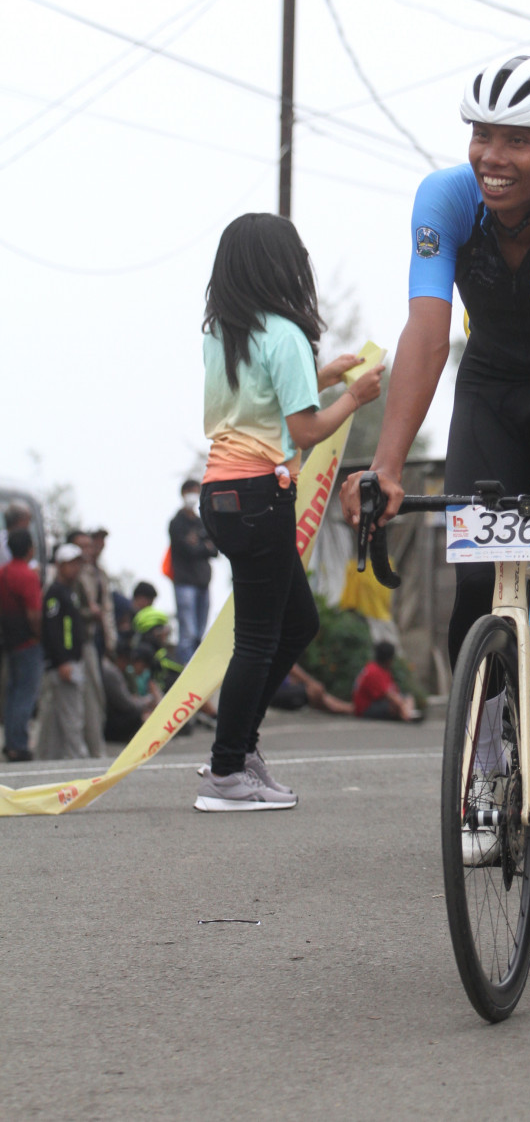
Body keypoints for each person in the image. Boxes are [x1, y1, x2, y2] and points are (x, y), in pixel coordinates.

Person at [341, 53, 530, 859]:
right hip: (492, 387)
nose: (491, 156)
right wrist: (387, 466)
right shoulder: (444, 200)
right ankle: (486, 767)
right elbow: (427, 334)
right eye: (481, 135)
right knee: (474, 582)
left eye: (516, 140)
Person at [195, 212, 384, 812]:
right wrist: (353, 396)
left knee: (297, 623)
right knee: (258, 639)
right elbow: (304, 431)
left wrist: (320, 378)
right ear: (282, 268)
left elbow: (261, 407)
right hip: (258, 496)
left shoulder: (223, 333)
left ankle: (239, 747)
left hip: (221, 496)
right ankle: (227, 770)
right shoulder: (284, 334)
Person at [35, 543, 89, 761]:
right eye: (70, 564)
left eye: (77, 564)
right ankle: (78, 758)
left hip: (69, 661)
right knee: (72, 715)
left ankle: (49, 760)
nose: (75, 568)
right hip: (64, 664)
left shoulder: (69, 592)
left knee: (56, 717)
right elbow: (54, 630)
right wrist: (63, 660)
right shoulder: (55, 593)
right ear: (59, 565)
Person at [0, 529, 44, 761]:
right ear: (30, 549)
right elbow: (34, 613)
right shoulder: (28, 575)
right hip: (28, 641)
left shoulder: (3, 572)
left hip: (9, 641)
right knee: (26, 694)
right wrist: (39, 635)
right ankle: (19, 744)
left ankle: (10, 741)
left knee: (12, 692)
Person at [65, 528, 106, 756]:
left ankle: (94, 748)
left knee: (94, 697)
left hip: (91, 640)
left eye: (88, 546)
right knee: (78, 700)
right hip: (74, 645)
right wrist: (91, 612)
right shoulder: (67, 577)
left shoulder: (95, 573)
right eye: (81, 547)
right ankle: (85, 751)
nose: (86, 551)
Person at [169, 479, 218, 663]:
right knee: (188, 633)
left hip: (203, 583)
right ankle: (184, 668)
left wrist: (199, 544)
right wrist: (203, 546)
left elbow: (215, 549)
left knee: (199, 633)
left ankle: (196, 666)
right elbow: (187, 549)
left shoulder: (201, 522)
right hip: (185, 583)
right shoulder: (177, 522)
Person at [353, 640, 420, 721]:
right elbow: (389, 695)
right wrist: (402, 704)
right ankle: (407, 715)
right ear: (389, 659)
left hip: (374, 704)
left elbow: (394, 691)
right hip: (366, 709)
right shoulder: (374, 671)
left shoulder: (381, 669)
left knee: (407, 697)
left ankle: (407, 714)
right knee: (395, 705)